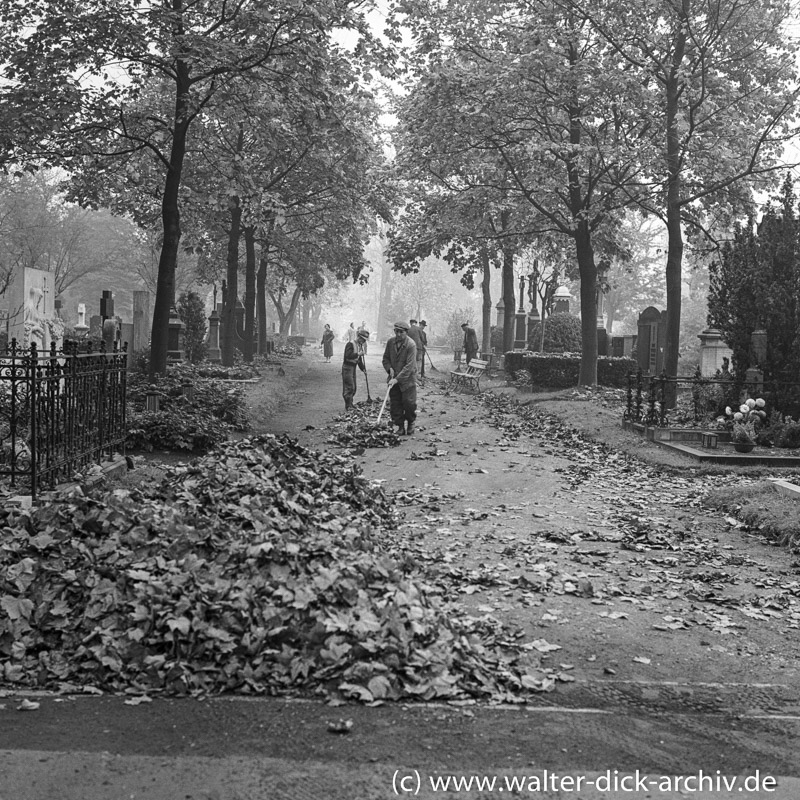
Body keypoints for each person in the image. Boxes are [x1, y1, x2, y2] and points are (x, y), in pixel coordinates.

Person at [382, 321, 417, 435]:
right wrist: (389, 368)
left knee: (409, 403)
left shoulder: (411, 345)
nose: (398, 334)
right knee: (395, 404)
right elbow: (385, 359)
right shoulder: (390, 342)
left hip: (407, 380)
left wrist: (397, 379)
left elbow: (409, 366)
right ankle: (400, 426)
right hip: (393, 379)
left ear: (406, 332)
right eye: (396, 331)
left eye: (401, 332)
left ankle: (411, 422)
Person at [342, 328, 369, 411]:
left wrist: (363, 368)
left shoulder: (359, 346)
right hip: (347, 368)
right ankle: (348, 405)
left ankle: (350, 403)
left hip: (353, 368)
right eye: (362, 339)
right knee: (349, 387)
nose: (363, 342)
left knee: (354, 387)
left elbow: (359, 360)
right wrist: (358, 354)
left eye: (364, 340)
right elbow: (347, 355)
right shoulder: (350, 344)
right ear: (359, 337)